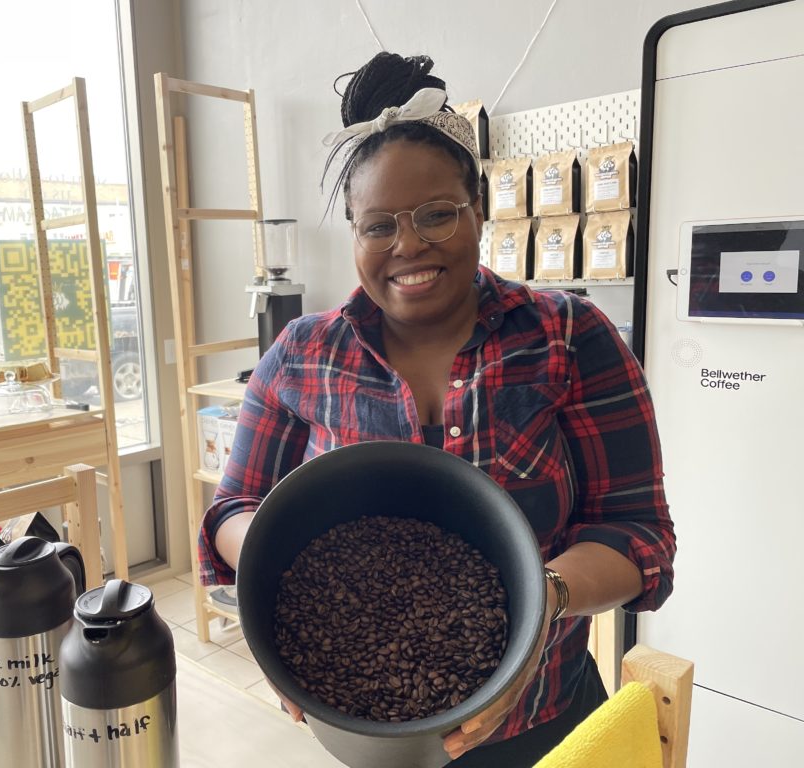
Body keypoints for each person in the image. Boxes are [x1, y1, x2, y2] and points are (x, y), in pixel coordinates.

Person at [198, 52, 675, 767]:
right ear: (354, 233)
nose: (409, 245)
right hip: (360, 725)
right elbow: (233, 505)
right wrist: (279, 573)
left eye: (437, 215)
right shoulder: (303, 354)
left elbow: (641, 536)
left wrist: (544, 598)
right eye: (378, 225)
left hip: (546, 723)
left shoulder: (571, 335)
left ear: (477, 209)